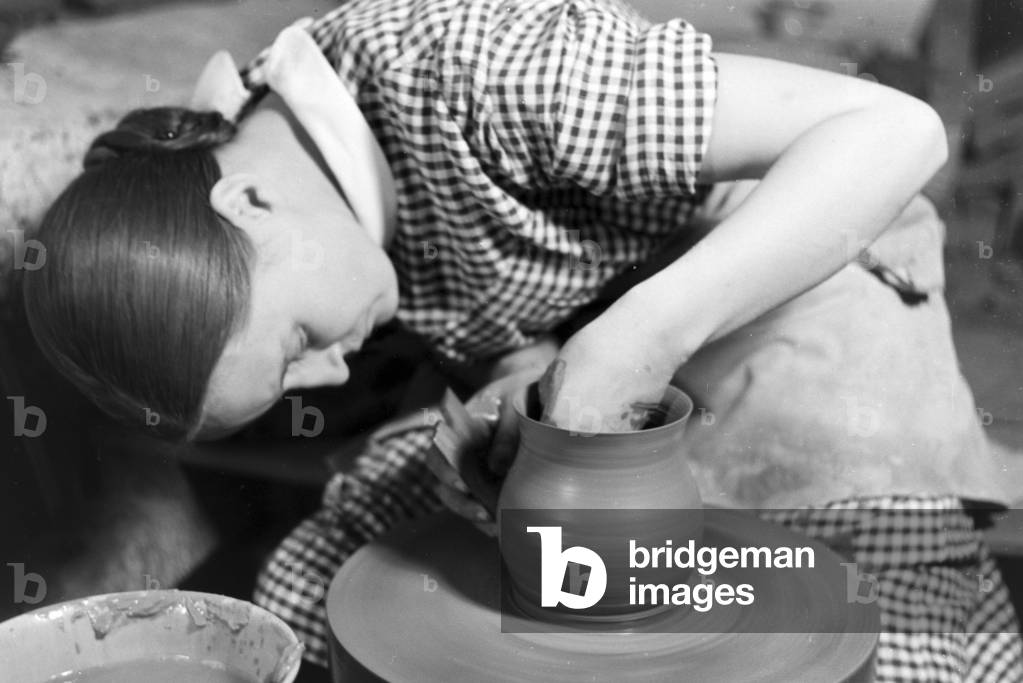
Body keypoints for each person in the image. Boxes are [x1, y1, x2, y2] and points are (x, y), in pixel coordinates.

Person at [21, 0, 1021, 679]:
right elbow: (519, 297)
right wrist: (524, 381)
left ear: (248, 202)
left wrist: (641, 336)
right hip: (614, 329)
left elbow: (896, 131)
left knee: (845, 591)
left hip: (803, 256)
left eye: (294, 344)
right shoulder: (309, 201)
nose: (330, 372)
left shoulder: (480, 69)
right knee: (353, 560)